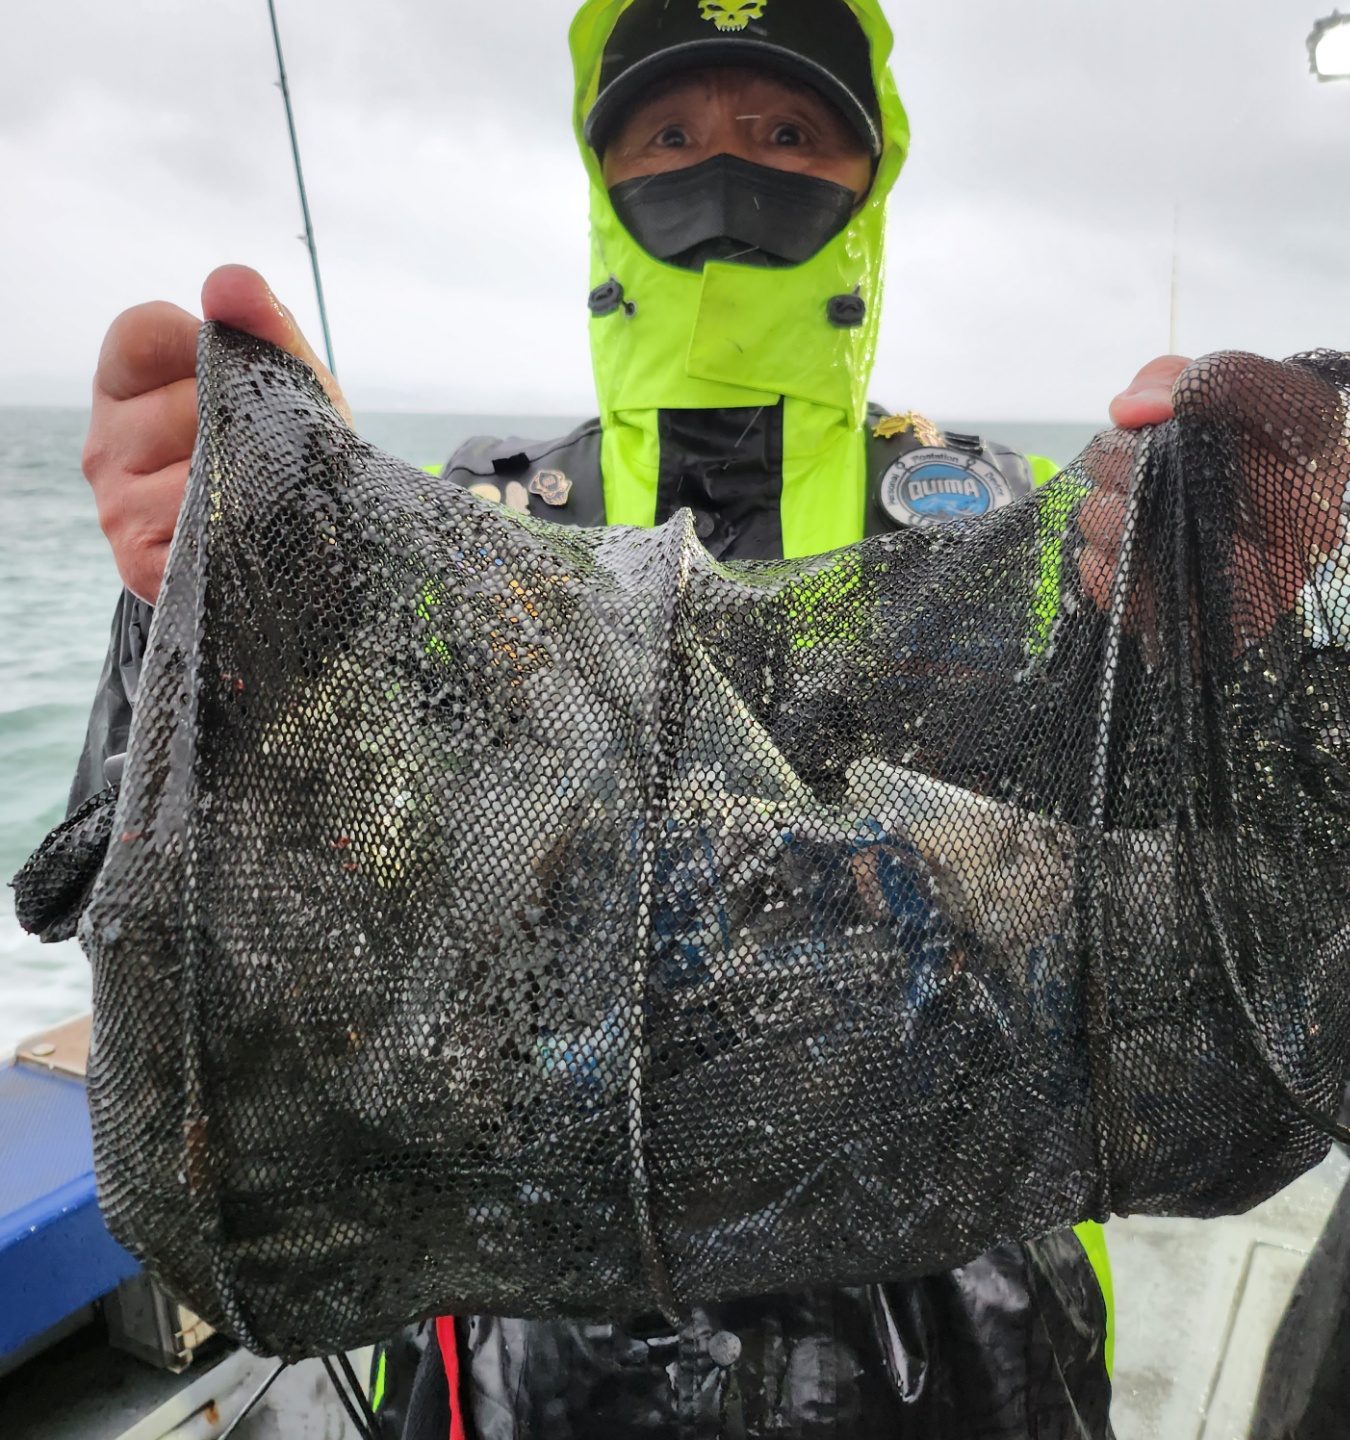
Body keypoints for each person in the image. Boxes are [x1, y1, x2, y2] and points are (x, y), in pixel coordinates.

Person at [74, 1, 1197, 1434]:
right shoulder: (462, 535)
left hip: (960, 1331)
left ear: (873, 181)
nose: (727, 171)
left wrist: (1203, 631)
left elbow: (1161, 917)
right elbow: (253, 906)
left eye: (788, 132)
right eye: (669, 133)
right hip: (541, 1341)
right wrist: (214, 601)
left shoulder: (1019, 534)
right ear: (601, 178)